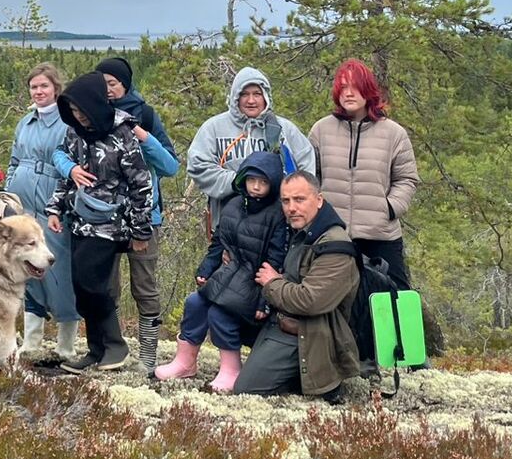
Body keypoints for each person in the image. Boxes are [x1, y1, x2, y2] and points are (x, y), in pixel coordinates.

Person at [46, 73, 154, 374]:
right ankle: (96, 350)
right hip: (80, 219)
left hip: (111, 223)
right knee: (81, 284)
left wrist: (140, 230)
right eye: (74, 112)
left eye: (82, 111)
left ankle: (115, 346)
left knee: (93, 284)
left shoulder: (124, 134)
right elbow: (68, 175)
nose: (80, 117)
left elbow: (141, 185)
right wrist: (54, 209)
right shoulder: (74, 133)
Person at [155, 150, 287, 393]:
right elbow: (219, 243)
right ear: (242, 180)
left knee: (220, 312)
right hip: (229, 273)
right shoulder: (234, 204)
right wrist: (205, 269)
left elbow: (275, 260)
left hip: (255, 282)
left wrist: (263, 301)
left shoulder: (277, 214)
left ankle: (231, 369)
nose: (256, 187)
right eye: (251, 180)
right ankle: (185, 362)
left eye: (263, 182)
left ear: (274, 184)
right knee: (194, 302)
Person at [234, 171, 360, 398]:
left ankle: (321, 377)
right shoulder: (297, 232)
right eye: (286, 201)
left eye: (299, 199)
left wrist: (272, 283)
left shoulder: (335, 246)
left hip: (312, 333)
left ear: (319, 200)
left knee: (247, 391)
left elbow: (310, 300)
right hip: (282, 319)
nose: (291, 208)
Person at [96, 56, 180, 373]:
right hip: (105, 218)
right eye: (102, 84)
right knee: (108, 287)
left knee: (144, 286)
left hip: (146, 219)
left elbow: (171, 166)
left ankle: (147, 355)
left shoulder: (145, 114)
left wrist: (144, 136)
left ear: (125, 84)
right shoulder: (95, 115)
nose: (107, 91)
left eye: (113, 84)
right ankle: (113, 348)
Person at [307, 59, 419, 291]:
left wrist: (388, 208)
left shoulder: (393, 133)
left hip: (381, 235)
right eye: (343, 87)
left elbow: (406, 179)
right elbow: (310, 177)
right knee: (339, 303)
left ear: (368, 90)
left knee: (395, 301)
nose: (348, 93)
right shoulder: (321, 130)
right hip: (334, 234)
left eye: (355, 87)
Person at [8, 63, 80, 358]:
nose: (38, 92)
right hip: (23, 206)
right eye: (34, 87)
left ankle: (66, 345)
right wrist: (12, 187)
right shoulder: (25, 122)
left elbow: (73, 165)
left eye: (44, 86)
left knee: (59, 272)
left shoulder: (68, 122)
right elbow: (14, 159)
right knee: (27, 271)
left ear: (56, 89)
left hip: (54, 205)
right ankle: (32, 343)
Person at [186, 66, 314, 228]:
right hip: (228, 225)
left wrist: (290, 196)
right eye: (244, 94)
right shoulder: (214, 128)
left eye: (257, 94)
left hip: (277, 227)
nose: (251, 100)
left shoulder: (283, 130)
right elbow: (198, 166)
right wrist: (238, 182)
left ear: (266, 97)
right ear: (235, 98)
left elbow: (307, 167)